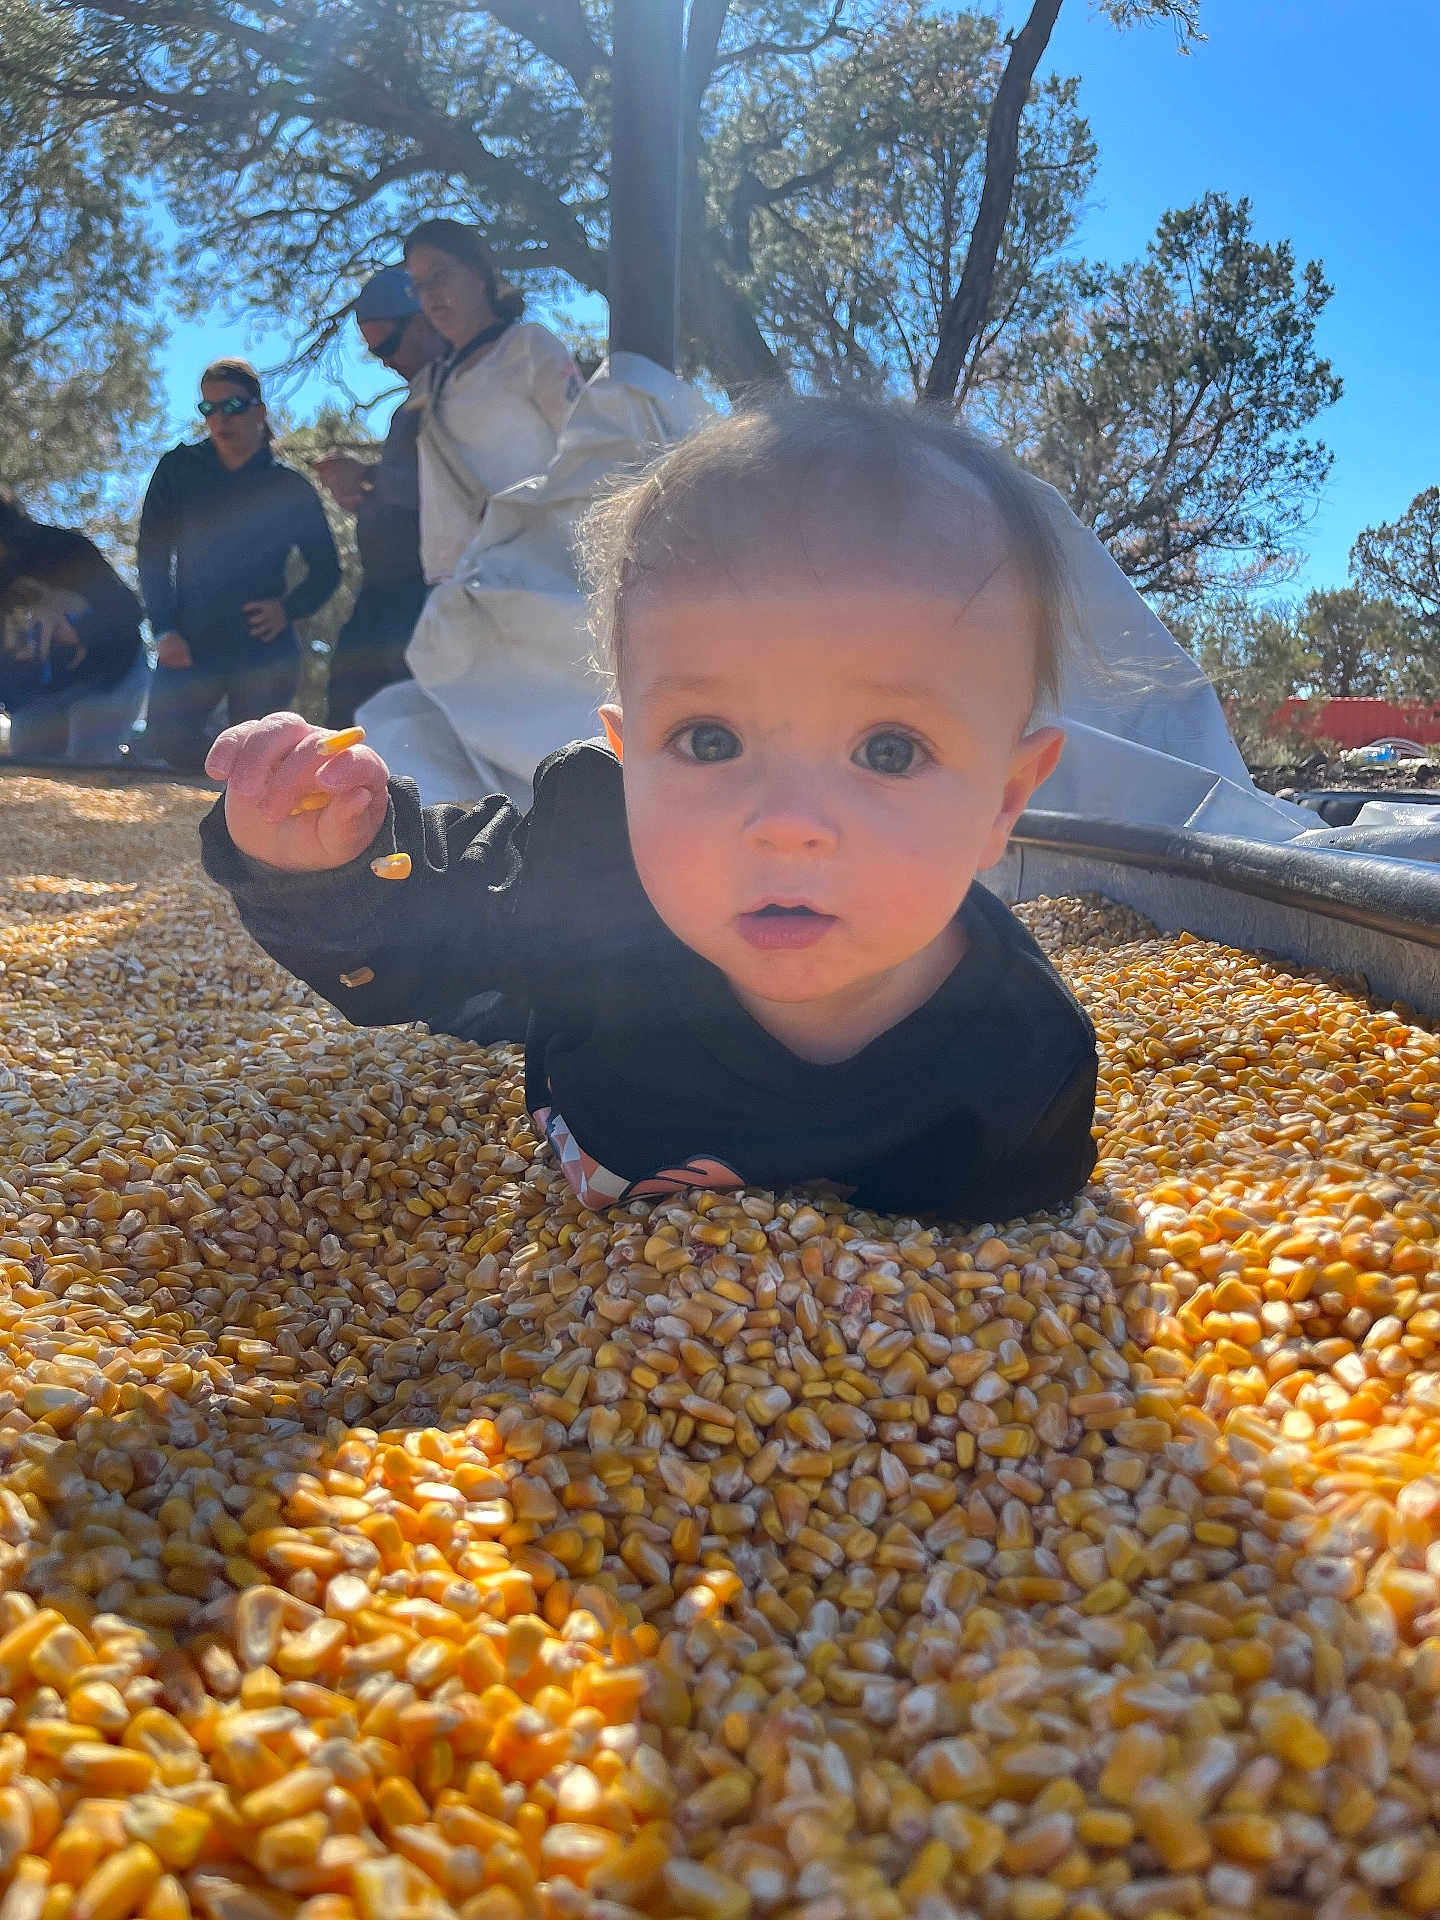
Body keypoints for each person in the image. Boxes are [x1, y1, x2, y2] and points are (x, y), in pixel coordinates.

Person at [198, 397, 1098, 1223]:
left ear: (1004, 802)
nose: (787, 822)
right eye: (711, 740)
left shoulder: (1019, 1066)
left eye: (890, 752)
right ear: (629, 762)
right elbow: (420, 919)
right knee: (490, 980)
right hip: (570, 1020)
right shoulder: (595, 864)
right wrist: (325, 860)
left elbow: (1008, 1267)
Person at [137, 359, 342, 772]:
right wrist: (164, 628)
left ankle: (242, 830)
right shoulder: (179, 469)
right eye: (207, 409)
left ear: (259, 411)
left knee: (257, 761)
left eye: (231, 406)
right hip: (189, 642)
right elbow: (152, 555)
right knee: (164, 745)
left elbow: (327, 569)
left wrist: (288, 610)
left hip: (261, 646)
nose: (219, 419)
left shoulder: (289, 487)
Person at [402, 218, 583, 585]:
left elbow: (586, 446)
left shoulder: (528, 346)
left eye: (440, 276)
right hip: (449, 584)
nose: (431, 295)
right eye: (420, 286)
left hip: (530, 575)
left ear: (478, 273)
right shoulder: (432, 384)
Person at [313, 268, 445, 729]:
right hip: (383, 595)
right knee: (347, 715)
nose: (385, 361)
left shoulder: (464, 393)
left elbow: (456, 490)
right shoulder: (412, 403)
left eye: (388, 345)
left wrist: (366, 475)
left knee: (401, 724)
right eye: (374, 353)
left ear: (426, 321)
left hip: (427, 595)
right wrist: (367, 495)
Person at [0, 487, 143, 760]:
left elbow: (128, 612)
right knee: (27, 769)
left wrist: (80, 633)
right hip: (37, 694)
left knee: (89, 767)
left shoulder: (66, 549)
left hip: (108, 676)